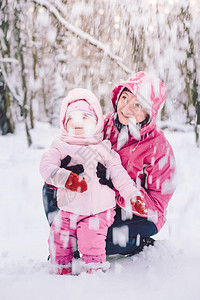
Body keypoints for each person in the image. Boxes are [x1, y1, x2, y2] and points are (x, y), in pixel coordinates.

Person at [42, 71, 176, 258]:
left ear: (150, 111)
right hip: (94, 197)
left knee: (101, 238)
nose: (126, 108)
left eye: (137, 104)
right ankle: (66, 238)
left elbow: (157, 205)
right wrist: (64, 170)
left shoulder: (159, 149)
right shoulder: (102, 124)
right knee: (49, 190)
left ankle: (135, 244)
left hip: (137, 213)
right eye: (124, 98)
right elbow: (70, 142)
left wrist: (118, 187)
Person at [40, 88, 147, 275]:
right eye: (71, 119)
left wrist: (132, 195)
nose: (77, 123)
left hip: (98, 211)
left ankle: (93, 271)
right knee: (58, 237)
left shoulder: (102, 148)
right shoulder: (59, 146)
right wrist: (63, 177)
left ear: (96, 122)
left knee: (91, 239)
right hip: (68, 209)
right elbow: (46, 166)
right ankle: (60, 270)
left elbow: (119, 174)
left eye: (84, 118)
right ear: (64, 123)